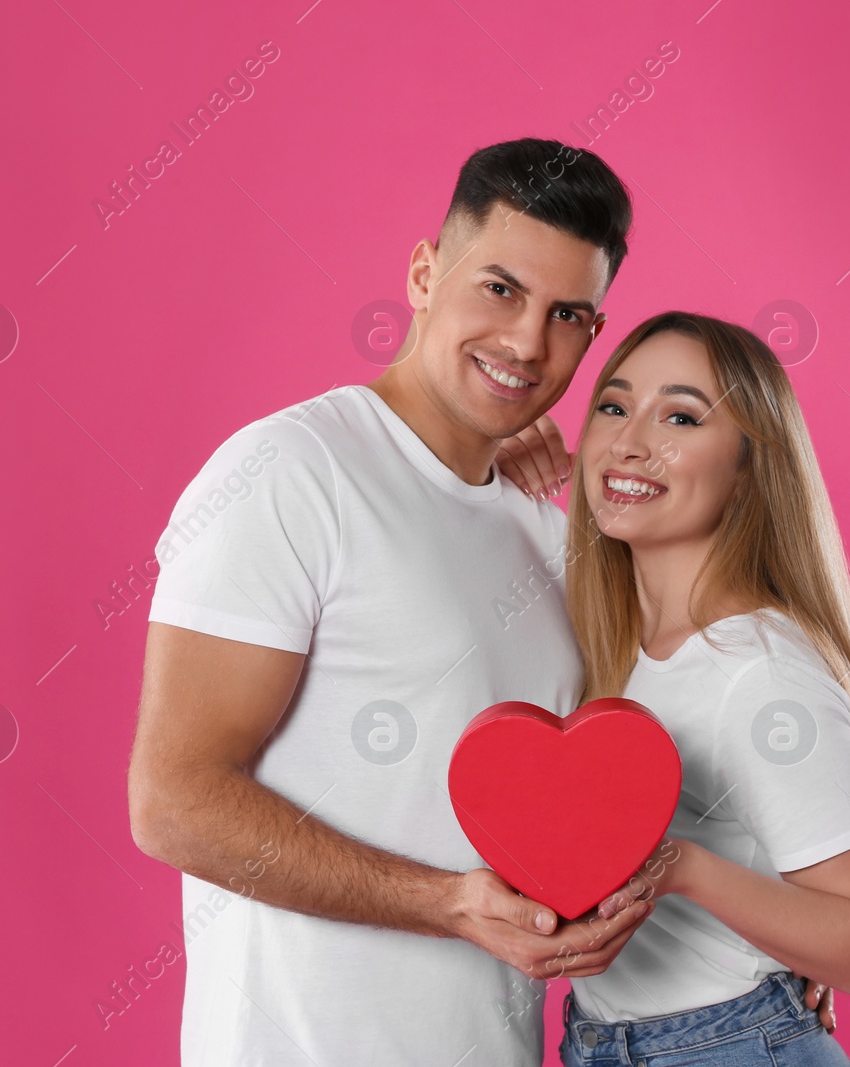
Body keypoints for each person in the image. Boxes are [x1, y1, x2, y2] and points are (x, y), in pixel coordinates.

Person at [125, 138, 659, 1066]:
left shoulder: (545, 532)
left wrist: (776, 945)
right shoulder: (290, 473)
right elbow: (173, 801)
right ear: (423, 273)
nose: (528, 342)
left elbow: (639, 760)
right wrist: (447, 903)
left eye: (566, 314)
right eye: (499, 287)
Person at [496, 312, 850, 1066]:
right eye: (614, 406)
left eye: (680, 416)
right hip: (606, 1042)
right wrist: (496, 449)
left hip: (730, 1046)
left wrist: (681, 867)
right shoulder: (612, 638)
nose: (630, 441)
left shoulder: (762, 669)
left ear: (749, 465)